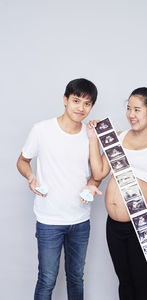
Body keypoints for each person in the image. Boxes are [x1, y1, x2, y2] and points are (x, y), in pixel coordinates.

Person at [87, 87, 147, 300]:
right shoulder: (117, 137)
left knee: (142, 284)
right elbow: (99, 172)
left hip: (144, 223)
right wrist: (93, 138)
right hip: (115, 226)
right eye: (128, 108)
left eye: (137, 109)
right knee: (124, 282)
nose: (130, 115)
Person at [17, 78, 102, 300]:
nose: (81, 108)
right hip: (49, 221)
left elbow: (97, 174)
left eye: (87, 103)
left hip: (80, 220)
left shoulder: (90, 135)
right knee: (47, 279)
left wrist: (92, 185)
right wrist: (30, 176)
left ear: (91, 106)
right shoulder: (41, 130)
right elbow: (22, 161)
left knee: (76, 278)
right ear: (65, 100)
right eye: (76, 100)